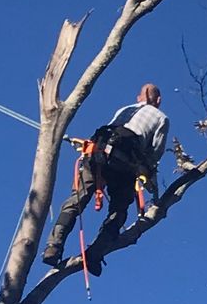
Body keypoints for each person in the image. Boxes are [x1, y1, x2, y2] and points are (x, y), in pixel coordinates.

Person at [42, 84, 171, 269]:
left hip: (97, 155)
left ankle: (53, 246)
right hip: (124, 165)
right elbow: (155, 154)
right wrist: (148, 175)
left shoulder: (125, 109)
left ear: (138, 97)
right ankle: (96, 252)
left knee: (77, 199)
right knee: (118, 211)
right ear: (158, 100)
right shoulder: (161, 118)